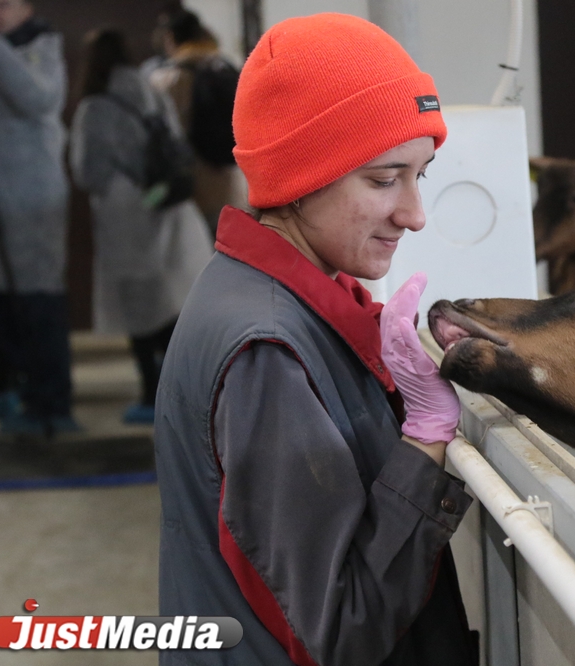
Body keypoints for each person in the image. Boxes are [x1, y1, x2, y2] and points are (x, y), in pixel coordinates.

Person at [155, 14, 478, 666]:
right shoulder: (266, 351)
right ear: (299, 177)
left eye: (422, 175)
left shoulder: (260, 299)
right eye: (385, 180)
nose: (414, 213)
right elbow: (345, 627)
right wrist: (422, 443)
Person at [69, 28, 213, 425]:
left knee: (138, 310)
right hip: (168, 204)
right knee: (172, 305)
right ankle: (183, 392)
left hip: (126, 217)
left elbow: (88, 171)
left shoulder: (94, 108)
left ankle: (151, 395)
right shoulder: (153, 94)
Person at [0, 0, 76, 435]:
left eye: (0, 3)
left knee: (38, 302)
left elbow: (39, 98)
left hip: (30, 204)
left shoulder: (41, 44)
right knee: (2, 303)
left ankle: (51, 404)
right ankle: (15, 388)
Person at [149, 9, 244, 236]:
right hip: (232, 182)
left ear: (170, 39)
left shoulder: (167, 79)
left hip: (193, 190)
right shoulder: (228, 68)